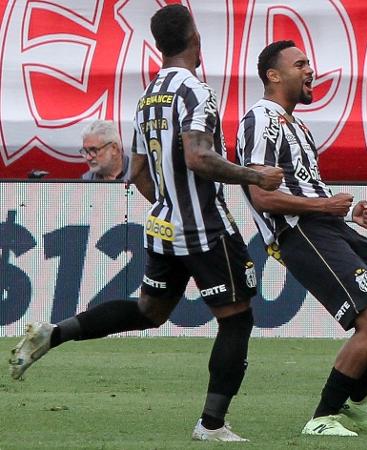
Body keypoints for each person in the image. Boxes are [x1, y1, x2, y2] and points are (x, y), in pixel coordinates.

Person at [9, 5, 283, 443]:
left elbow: (135, 170)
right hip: (204, 229)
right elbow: (198, 156)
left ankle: (54, 333)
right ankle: (211, 425)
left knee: (149, 312)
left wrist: (171, 204)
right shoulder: (196, 91)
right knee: (237, 319)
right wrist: (255, 175)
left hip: (164, 227)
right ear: (196, 40)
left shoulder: (148, 96)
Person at [236, 40, 367, 437]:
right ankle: (322, 418)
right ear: (273, 75)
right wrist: (324, 209)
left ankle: (354, 401)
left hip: (326, 225)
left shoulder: (299, 127)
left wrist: (346, 211)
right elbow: (261, 195)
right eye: (300, 64)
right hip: (298, 232)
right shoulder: (260, 119)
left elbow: (304, 188)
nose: (311, 71)